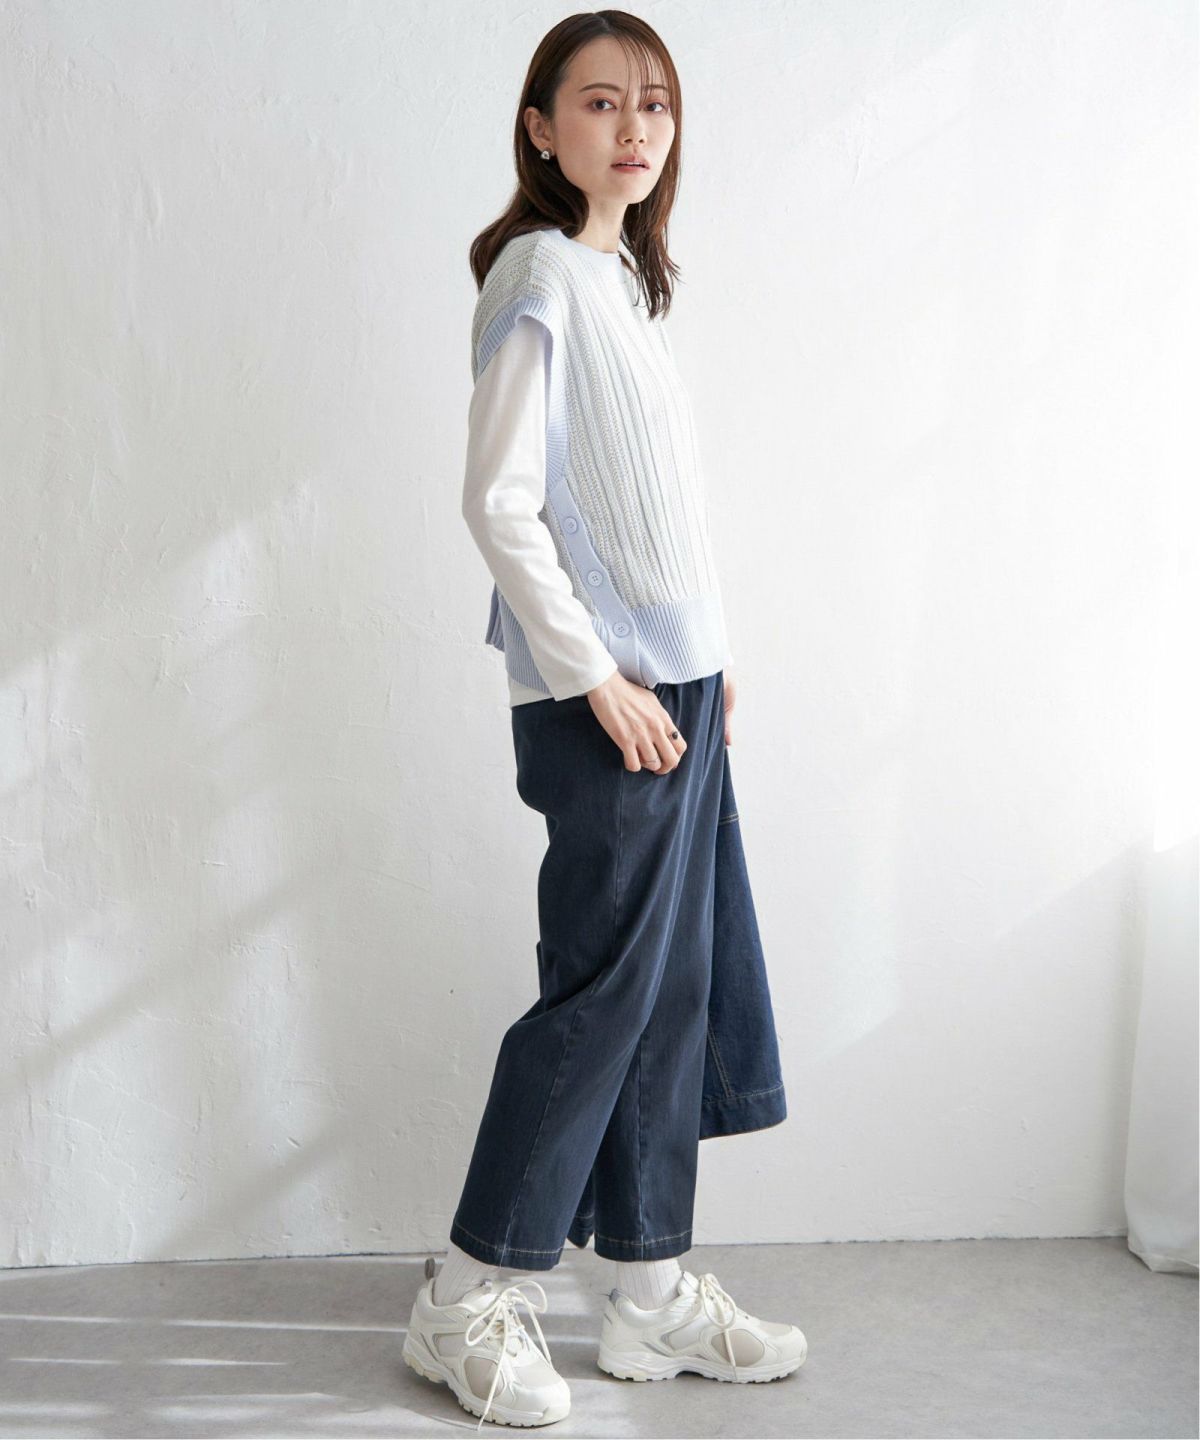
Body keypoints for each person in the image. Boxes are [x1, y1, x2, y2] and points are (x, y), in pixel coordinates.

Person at [403, 11, 806, 1428]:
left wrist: (708, 657)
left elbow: (648, 507)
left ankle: (647, 1294)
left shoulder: (621, 282)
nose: (635, 127)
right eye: (599, 102)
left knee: (672, 992)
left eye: (655, 104)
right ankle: (464, 1295)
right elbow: (499, 503)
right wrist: (598, 676)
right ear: (541, 128)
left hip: (670, 685)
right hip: (605, 700)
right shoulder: (538, 276)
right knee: (600, 1001)